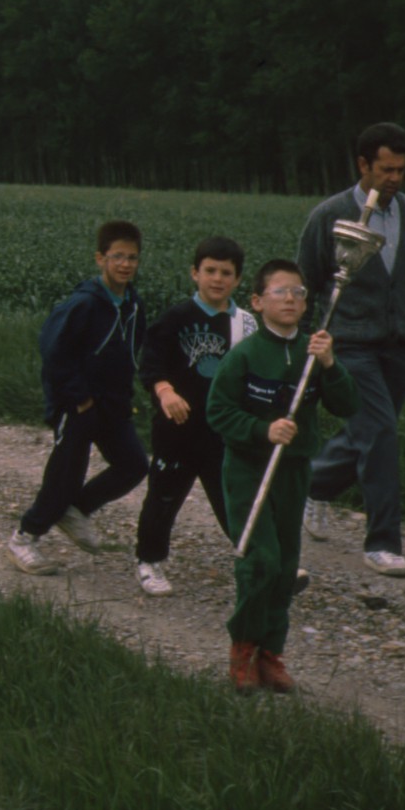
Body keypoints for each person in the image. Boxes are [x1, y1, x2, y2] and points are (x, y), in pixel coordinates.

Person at [206, 259, 354, 694]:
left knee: (287, 564)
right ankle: (243, 647)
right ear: (257, 302)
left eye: (298, 292)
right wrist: (261, 430)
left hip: (293, 469)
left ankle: (271, 652)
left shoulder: (314, 350)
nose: (290, 299)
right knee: (262, 560)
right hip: (248, 470)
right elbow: (218, 411)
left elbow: (348, 405)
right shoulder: (246, 356)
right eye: (280, 292)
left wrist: (330, 365)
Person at [300, 121, 405, 577]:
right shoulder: (330, 215)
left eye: (401, 169)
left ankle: (312, 484)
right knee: (379, 433)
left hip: (401, 345)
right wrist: (306, 345)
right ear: (364, 165)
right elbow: (307, 281)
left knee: (370, 432)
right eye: (386, 169)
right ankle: (383, 543)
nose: (395, 178)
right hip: (350, 345)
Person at [8, 221, 150, 575]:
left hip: (114, 404)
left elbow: (131, 351)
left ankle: (76, 511)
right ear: (100, 258)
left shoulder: (134, 305)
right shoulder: (84, 303)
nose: (125, 264)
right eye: (117, 256)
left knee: (134, 464)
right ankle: (24, 537)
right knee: (65, 474)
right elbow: (54, 351)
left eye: (132, 257)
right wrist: (78, 398)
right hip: (79, 404)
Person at [133, 235, 257, 597]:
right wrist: (164, 390)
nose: (217, 279)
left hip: (222, 432)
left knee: (233, 497)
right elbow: (150, 363)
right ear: (195, 273)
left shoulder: (246, 326)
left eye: (226, 273)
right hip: (178, 430)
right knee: (164, 495)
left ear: (237, 279)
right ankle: (149, 560)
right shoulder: (176, 317)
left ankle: (257, 557)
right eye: (210, 271)